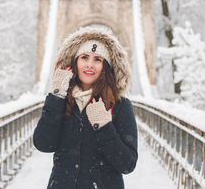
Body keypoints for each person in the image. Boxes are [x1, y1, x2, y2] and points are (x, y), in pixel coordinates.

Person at [33, 27, 138, 189]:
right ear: (75, 62)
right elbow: (44, 144)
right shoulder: (62, 100)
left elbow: (127, 164)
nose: (89, 65)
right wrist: (56, 97)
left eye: (98, 59)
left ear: (106, 67)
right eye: (84, 57)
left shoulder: (120, 106)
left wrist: (104, 127)